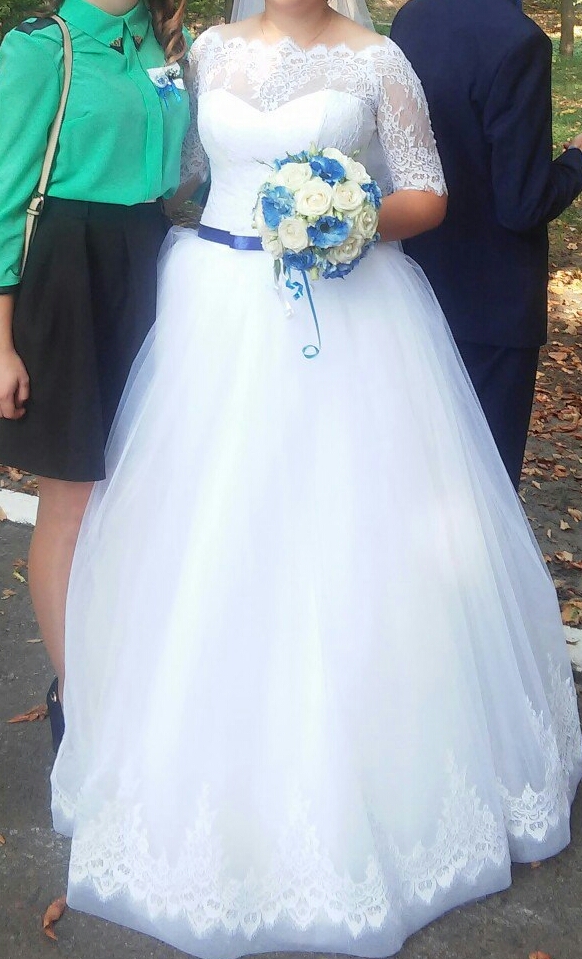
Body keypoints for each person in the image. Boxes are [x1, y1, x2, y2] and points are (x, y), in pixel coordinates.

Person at [51, 1, 581, 957]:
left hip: (346, 314)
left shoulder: (379, 60)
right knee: (209, 533)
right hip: (214, 310)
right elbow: (186, 175)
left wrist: (350, 217)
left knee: (341, 533)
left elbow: (428, 193)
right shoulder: (207, 51)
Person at [0, 0, 191, 749]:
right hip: (68, 278)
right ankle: (76, 702)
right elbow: (4, 196)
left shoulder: (164, 42)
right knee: (74, 498)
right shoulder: (40, 46)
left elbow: (186, 173)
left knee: (141, 489)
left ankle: (127, 672)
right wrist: (1, 344)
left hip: (151, 267)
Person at [390, 0, 582, 489]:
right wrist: (576, 161)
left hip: (414, 281)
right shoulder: (519, 40)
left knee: (420, 471)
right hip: (494, 298)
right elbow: (523, 203)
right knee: (485, 484)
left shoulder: (413, 17)